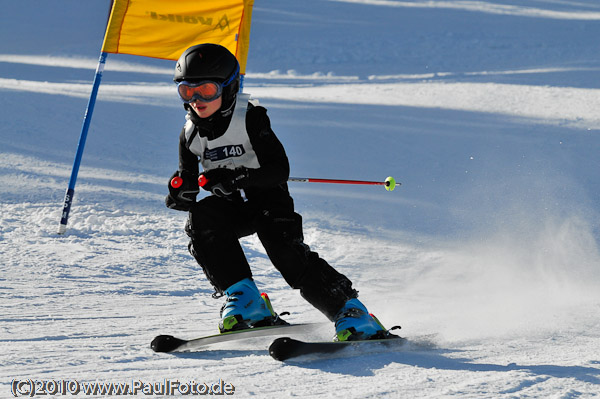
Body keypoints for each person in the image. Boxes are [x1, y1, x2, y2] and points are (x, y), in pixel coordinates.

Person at [165, 43, 392, 341]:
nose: (196, 100)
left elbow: (279, 169)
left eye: (206, 90)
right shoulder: (190, 135)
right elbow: (187, 182)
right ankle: (246, 300)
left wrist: (235, 178)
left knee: (287, 255)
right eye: (186, 91)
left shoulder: (250, 118)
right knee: (201, 218)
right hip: (233, 208)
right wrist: (180, 193)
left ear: (229, 87)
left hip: (270, 201)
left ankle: (350, 311)